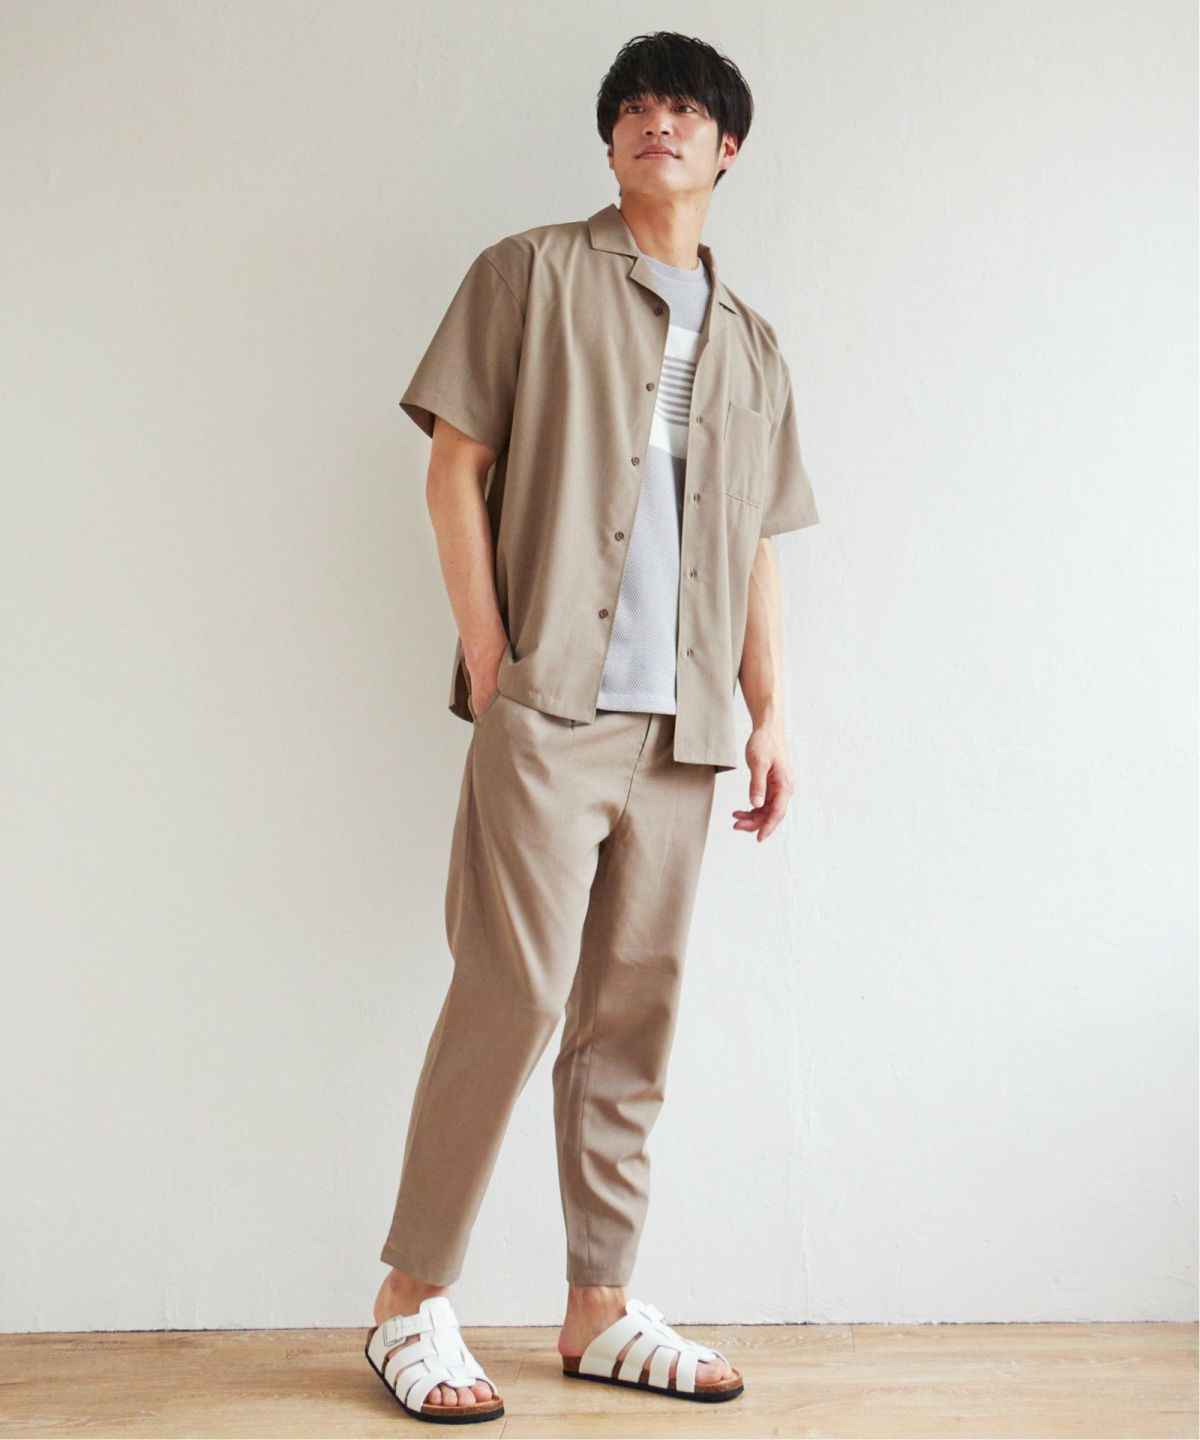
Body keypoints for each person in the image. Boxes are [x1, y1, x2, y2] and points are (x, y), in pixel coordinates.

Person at [364, 30, 820, 1423]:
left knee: (634, 1016)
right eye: (633, 107)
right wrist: (492, 656)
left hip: (686, 732)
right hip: (550, 707)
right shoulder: (529, 274)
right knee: (510, 993)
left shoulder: (753, 344)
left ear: (729, 147)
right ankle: (406, 1303)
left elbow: (753, 542)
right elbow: (456, 467)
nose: (654, 122)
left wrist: (769, 710)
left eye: (684, 108)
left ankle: (599, 1307)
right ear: (610, 139)